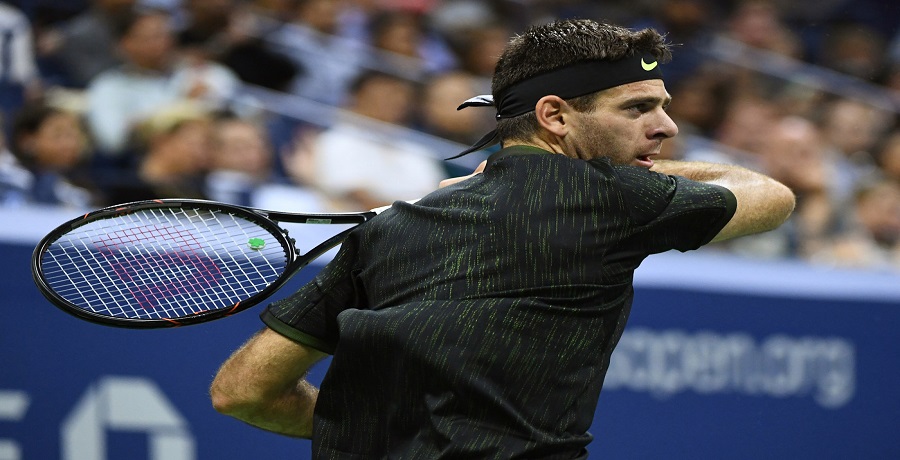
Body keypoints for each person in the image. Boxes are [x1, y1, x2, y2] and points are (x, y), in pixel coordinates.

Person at [210, 19, 795, 458]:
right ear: (555, 116)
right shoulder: (612, 198)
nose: (666, 126)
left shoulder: (393, 224)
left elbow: (243, 392)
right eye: (638, 108)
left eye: (663, 107)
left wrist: (391, 429)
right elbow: (770, 195)